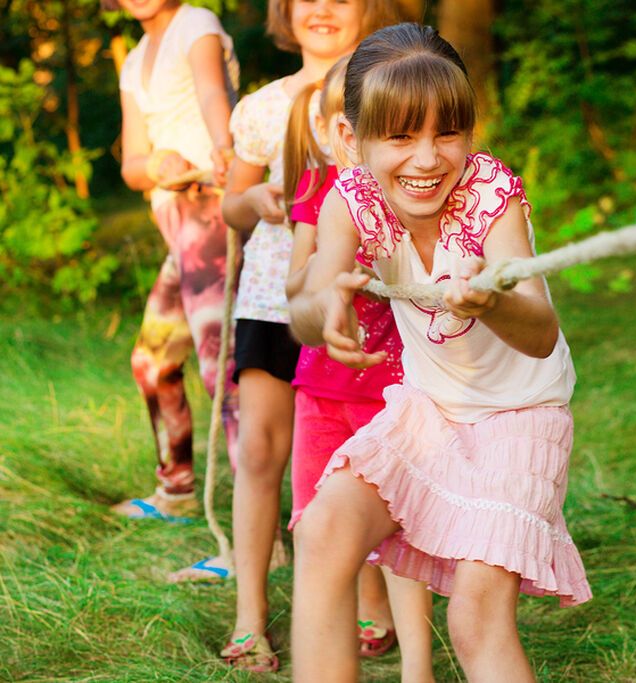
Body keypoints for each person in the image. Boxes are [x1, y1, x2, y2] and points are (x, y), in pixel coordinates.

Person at [288, 23, 591, 682]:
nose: (427, 158)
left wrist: (492, 300)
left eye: (446, 133)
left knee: (476, 617)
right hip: (429, 415)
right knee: (322, 530)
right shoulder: (353, 198)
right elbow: (309, 302)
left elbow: (539, 332)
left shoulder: (490, 196)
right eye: (400, 135)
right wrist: (326, 306)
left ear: (469, 132)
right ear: (351, 139)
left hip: (520, 418)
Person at [182, 0, 402, 672]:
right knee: (262, 452)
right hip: (273, 300)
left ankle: (366, 595)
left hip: (361, 308)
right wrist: (258, 204)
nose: (323, 8)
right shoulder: (262, 107)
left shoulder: (394, 86)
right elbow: (232, 203)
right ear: (284, 12)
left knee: (356, 455)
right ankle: (251, 615)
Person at [282, 60, 434, 675]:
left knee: (403, 537)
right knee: (317, 528)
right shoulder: (322, 193)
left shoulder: (414, 190)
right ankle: (330, 646)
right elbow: (299, 286)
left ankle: (417, 667)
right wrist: (329, 290)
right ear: (342, 131)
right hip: (321, 388)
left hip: (393, 394)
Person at [109, 0, 240, 522]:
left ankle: (264, 537)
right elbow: (132, 165)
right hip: (177, 222)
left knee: (223, 373)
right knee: (154, 360)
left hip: (208, 210)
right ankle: (178, 488)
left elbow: (212, 95)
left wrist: (226, 147)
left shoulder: (197, 24)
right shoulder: (133, 59)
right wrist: (156, 165)